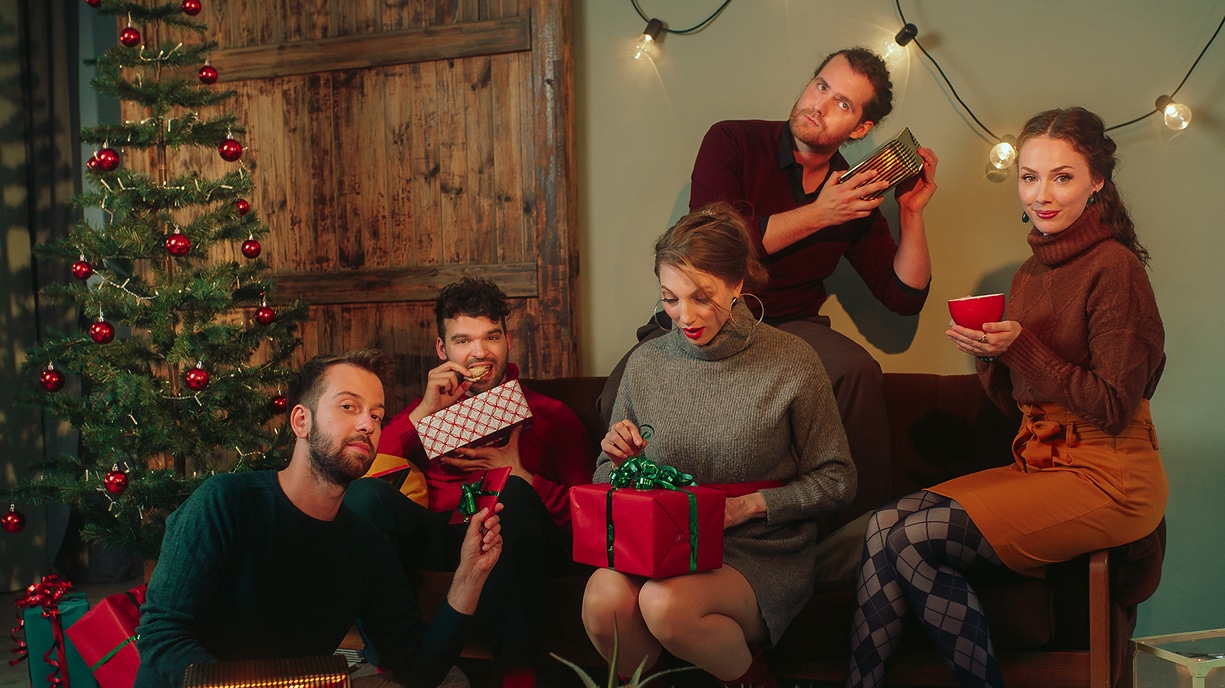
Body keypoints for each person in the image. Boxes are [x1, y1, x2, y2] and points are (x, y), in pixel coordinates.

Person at [845, 107, 1168, 688]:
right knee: (884, 527)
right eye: (1029, 176)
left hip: (1110, 478)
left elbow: (1114, 406)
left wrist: (1021, 350)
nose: (1041, 194)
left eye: (1062, 176)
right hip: (1039, 465)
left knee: (909, 537)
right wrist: (990, 355)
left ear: (1097, 182)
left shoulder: (1115, 269)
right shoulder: (1028, 275)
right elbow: (1016, 402)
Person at [599, 47, 938, 526]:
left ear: (860, 128)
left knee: (858, 371)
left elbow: (904, 296)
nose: (819, 105)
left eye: (843, 103)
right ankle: (647, 520)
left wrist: (911, 213)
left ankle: (863, 540)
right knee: (615, 392)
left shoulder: (853, 191)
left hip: (790, 326)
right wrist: (822, 212)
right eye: (821, 85)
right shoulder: (732, 140)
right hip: (709, 313)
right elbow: (713, 238)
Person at [582, 203, 858, 688]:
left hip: (757, 550)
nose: (684, 316)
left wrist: (751, 506)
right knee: (602, 599)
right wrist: (620, 460)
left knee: (664, 603)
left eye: (701, 296)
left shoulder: (791, 360)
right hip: (662, 549)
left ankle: (756, 681)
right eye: (669, 298)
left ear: (737, 285)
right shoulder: (646, 364)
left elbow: (838, 480)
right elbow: (604, 477)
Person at [133, 349, 504, 688]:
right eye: (348, 407)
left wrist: (469, 578)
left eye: (376, 415)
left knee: (453, 682)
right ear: (301, 422)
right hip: (202, 684)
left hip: (295, 682)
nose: (368, 425)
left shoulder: (366, 545)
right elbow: (163, 635)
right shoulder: (224, 503)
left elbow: (417, 670)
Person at [345, 277, 594, 687]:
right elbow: (368, 463)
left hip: (515, 538)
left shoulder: (552, 416)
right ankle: (393, 666)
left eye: (491, 337)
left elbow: (591, 518)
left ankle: (517, 676)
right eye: (463, 340)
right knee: (365, 495)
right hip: (448, 536)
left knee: (510, 494)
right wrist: (425, 410)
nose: (480, 352)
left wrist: (525, 477)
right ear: (443, 350)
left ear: (507, 341)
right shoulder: (427, 412)